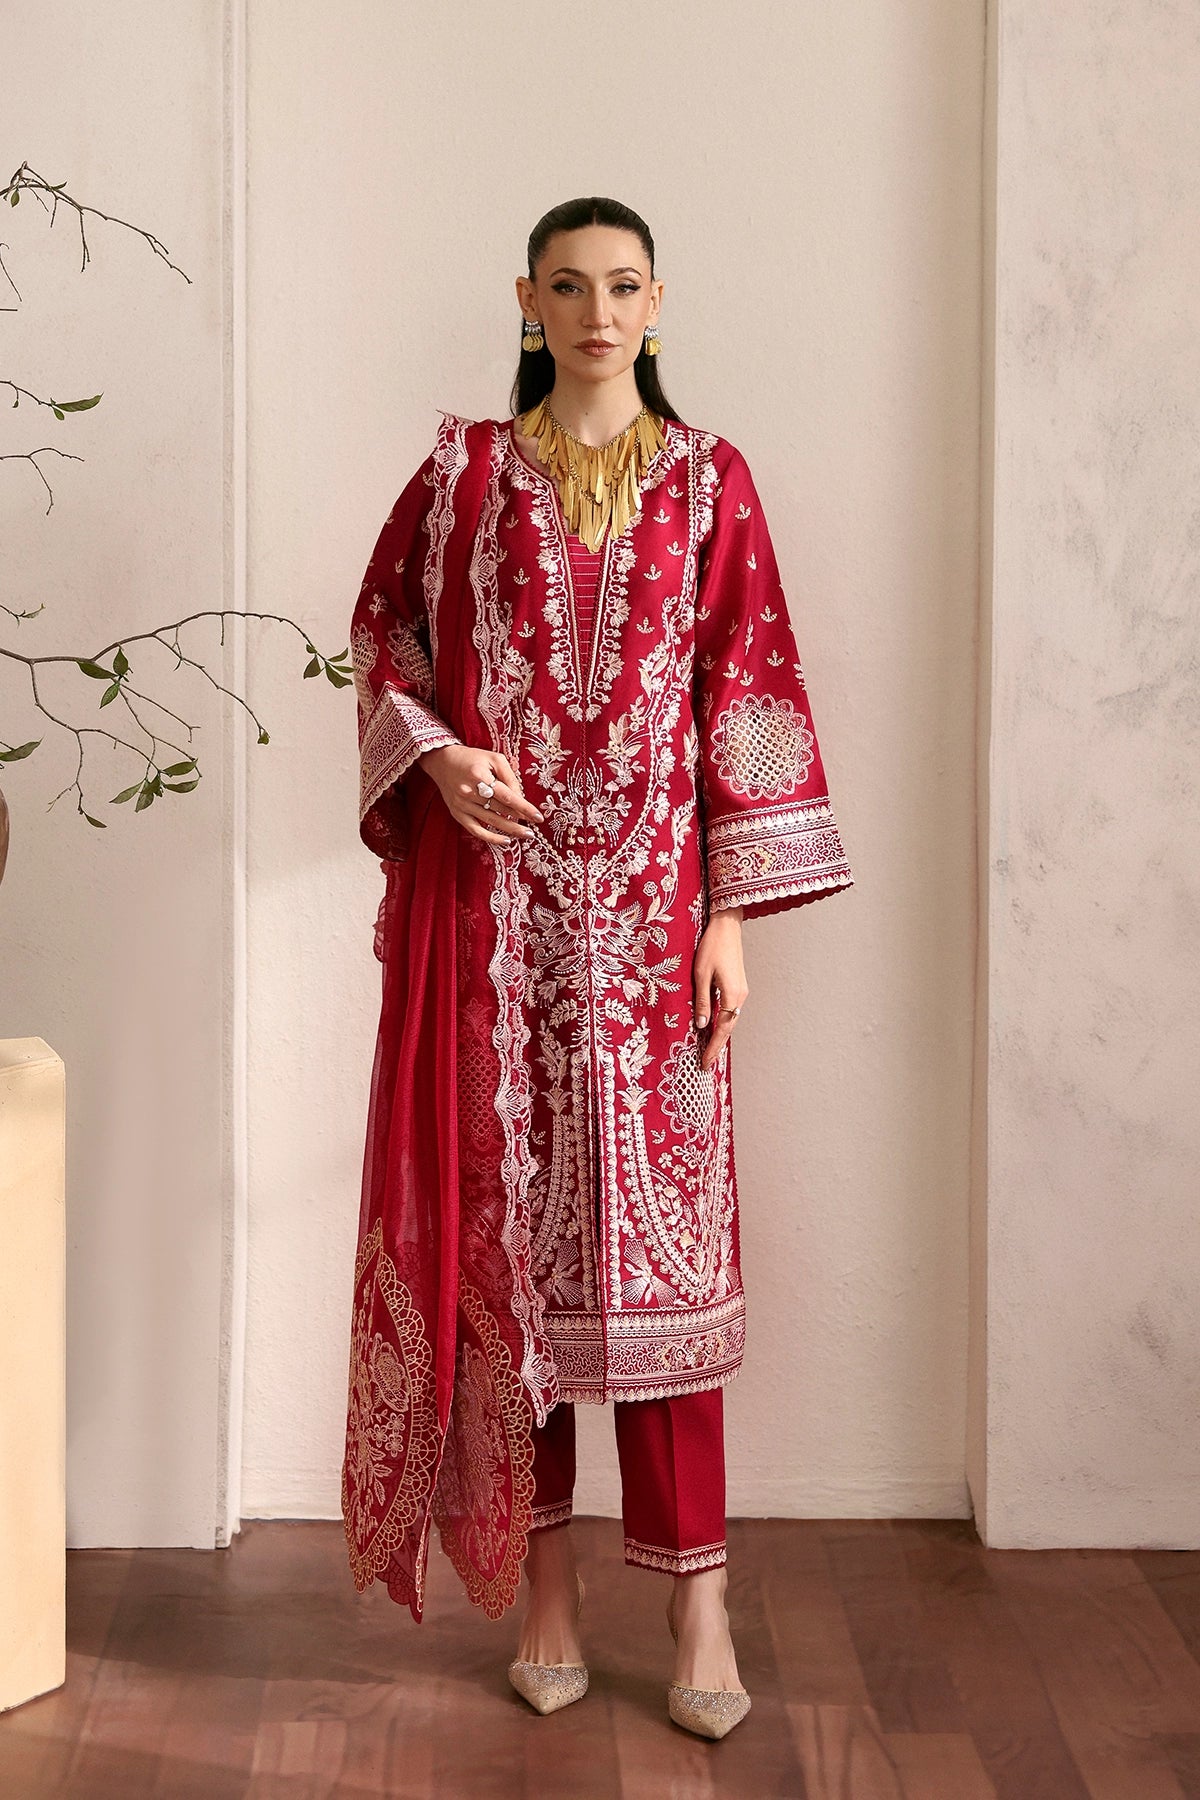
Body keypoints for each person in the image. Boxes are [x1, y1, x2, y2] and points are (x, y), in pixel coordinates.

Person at [341, 196, 853, 1741]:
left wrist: (729, 916)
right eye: (567, 286)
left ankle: (699, 1604)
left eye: (623, 286)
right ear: (526, 300)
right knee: (524, 1274)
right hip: (499, 951)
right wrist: (433, 767)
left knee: (672, 1287)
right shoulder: (463, 479)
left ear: (657, 299)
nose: (598, 312)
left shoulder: (710, 485)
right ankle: (548, 1596)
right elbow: (382, 642)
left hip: (651, 948)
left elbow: (745, 683)